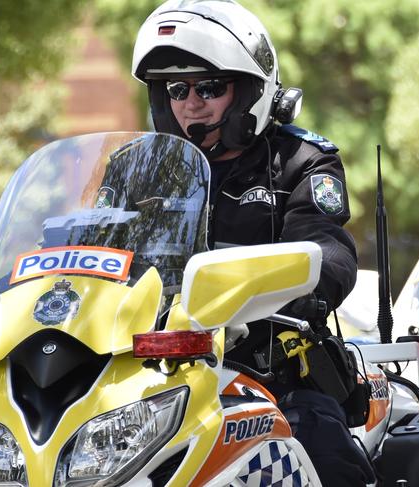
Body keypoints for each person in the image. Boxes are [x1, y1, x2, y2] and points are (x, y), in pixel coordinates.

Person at [132, 1, 373, 485]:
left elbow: (329, 247)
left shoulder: (300, 161)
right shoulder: (136, 169)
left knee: (326, 458)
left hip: (271, 375)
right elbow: (91, 247)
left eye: (210, 87)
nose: (191, 103)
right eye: (177, 89)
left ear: (250, 91)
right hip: (147, 376)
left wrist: (300, 281)